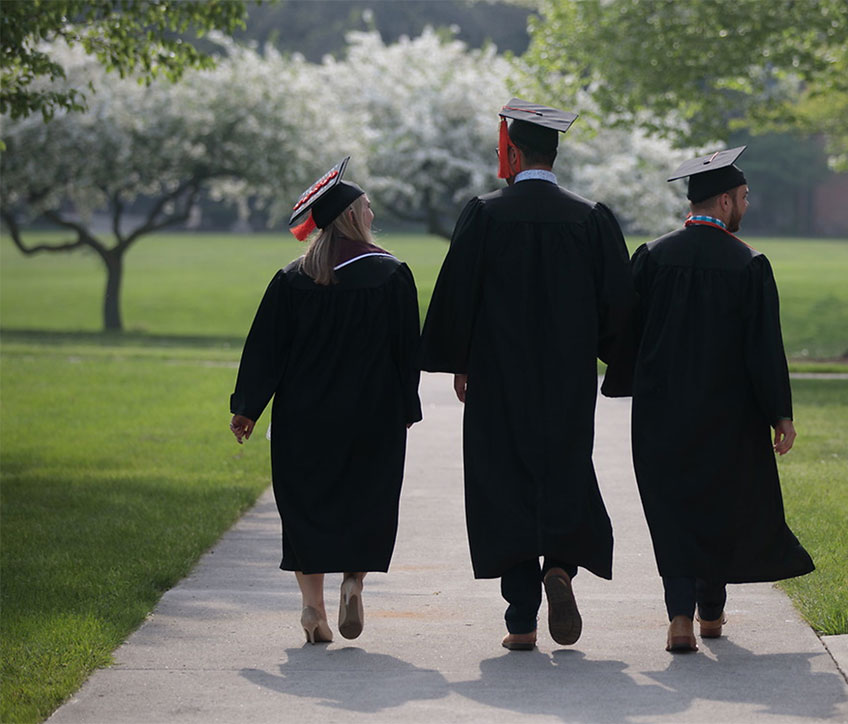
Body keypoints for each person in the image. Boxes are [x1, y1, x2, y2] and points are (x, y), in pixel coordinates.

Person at [420, 99, 633, 651]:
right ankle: (560, 566)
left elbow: (457, 296)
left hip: (498, 376)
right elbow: (619, 307)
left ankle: (520, 616)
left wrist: (461, 360)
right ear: (554, 154)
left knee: (502, 479)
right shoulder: (591, 217)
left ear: (511, 151)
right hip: (567, 376)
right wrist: (615, 359)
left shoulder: (485, 213)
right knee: (565, 468)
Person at [602, 146, 814, 653]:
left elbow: (621, 335)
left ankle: (679, 617)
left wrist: (637, 378)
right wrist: (779, 411)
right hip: (730, 414)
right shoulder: (749, 264)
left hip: (661, 412)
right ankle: (712, 611)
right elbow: (764, 348)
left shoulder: (653, 256)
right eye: (742, 197)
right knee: (720, 503)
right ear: (722, 202)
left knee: (670, 506)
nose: (746, 205)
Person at [229, 157, 422, 645]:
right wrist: (406, 407)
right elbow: (406, 351)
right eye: (368, 207)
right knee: (366, 500)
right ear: (354, 216)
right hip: (371, 414)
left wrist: (247, 406)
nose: (373, 215)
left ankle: (312, 609)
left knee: (306, 508)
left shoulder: (293, 278)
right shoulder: (391, 276)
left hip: (304, 417)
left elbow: (265, 349)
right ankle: (353, 580)